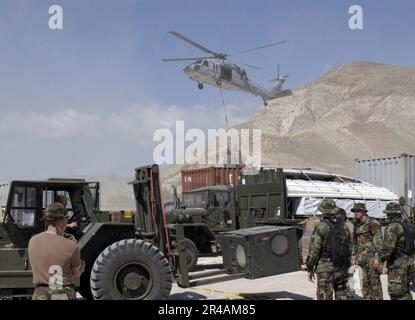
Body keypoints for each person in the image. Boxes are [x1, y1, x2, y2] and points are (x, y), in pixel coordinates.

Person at [28, 202, 84, 300]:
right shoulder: (71, 245)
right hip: (62, 295)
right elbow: (76, 274)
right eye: (66, 219)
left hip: (39, 294)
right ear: (62, 220)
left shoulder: (33, 241)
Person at [306, 199, 352, 300]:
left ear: (323, 212)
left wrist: (310, 267)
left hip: (325, 269)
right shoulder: (344, 226)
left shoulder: (321, 226)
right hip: (341, 268)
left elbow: (314, 249)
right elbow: (350, 247)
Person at [373, 202, 415, 300]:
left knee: (396, 294)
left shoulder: (393, 227)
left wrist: (379, 259)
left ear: (390, 214)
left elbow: (388, 248)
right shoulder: (407, 225)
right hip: (409, 262)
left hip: (398, 264)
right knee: (405, 291)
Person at [352, 202, 383, 300]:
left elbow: (379, 243)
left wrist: (378, 259)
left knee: (375, 285)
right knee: (364, 286)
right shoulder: (356, 224)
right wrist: (354, 258)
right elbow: (355, 243)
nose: (355, 213)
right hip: (361, 261)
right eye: (354, 211)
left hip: (372, 260)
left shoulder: (373, 223)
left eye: (357, 211)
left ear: (363, 212)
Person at [337, 208, 356, 299]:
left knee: (349, 276)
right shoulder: (339, 224)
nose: (336, 217)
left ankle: (350, 295)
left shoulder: (349, 225)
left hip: (348, 255)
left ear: (343, 216)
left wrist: (353, 257)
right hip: (341, 255)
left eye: (338, 216)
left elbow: (353, 242)